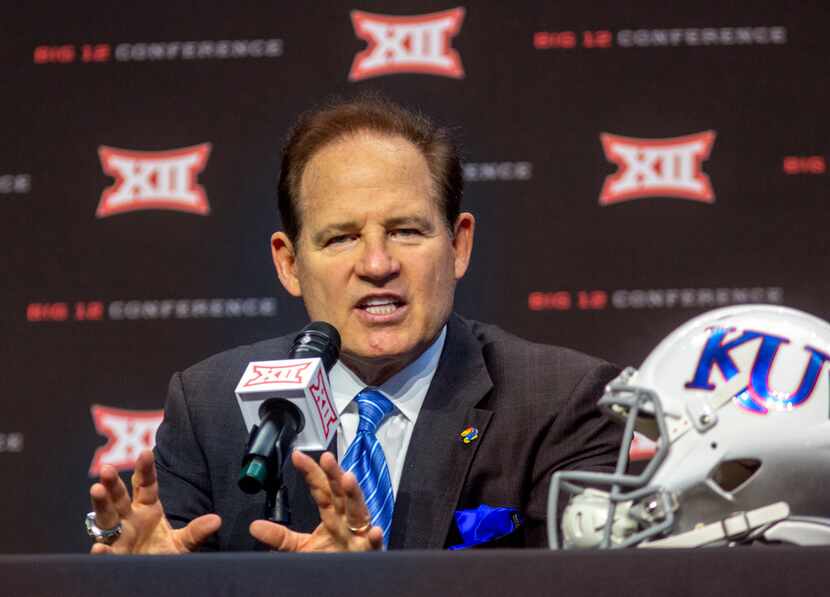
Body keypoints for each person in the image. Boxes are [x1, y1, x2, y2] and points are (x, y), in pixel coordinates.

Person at [86, 94, 621, 554]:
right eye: (341, 238)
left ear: (459, 246)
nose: (376, 264)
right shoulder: (210, 408)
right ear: (289, 263)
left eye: (407, 231)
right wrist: (149, 584)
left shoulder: (560, 404)